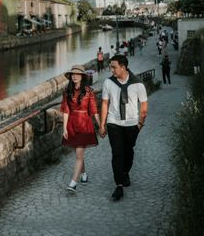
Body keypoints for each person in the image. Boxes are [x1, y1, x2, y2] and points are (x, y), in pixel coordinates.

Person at [99, 55, 148, 201]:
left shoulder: (138, 84)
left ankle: (125, 172)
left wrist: (140, 124)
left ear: (123, 67)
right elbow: (104, 104)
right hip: (113, 123)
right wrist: (102, 124)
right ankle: (119, 185)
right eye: (110, 67)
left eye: (114, 67)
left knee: (128, 152)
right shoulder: (108, 83)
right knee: (117, 153)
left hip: (132, 124)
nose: (111, 69)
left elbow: (144, 106)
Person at [61, 65, 100, 192]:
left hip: (84, 125)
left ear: (82, 76)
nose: (75, 76)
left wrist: (101, 126)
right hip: (72, 125)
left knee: (78, 154)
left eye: (77, 74)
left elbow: (94, 110)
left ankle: (73, 183)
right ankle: (84, 174)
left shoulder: (89, 91)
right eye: (73, 74)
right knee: (78, 153)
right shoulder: (67, 91)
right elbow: (66, 110)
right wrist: (64, 128)